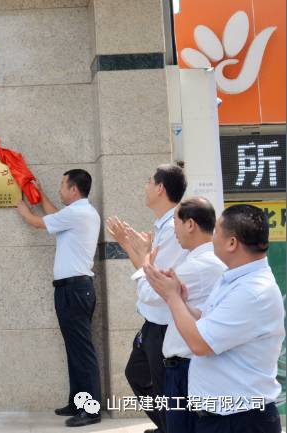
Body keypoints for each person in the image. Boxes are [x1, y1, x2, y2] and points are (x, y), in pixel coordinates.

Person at [144, 204, 284, 433]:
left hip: (241, 419)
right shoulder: (234, 279)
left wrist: (172, 298)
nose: (212, 237)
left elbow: (201, 344)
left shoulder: (252, 290)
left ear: (232, 243)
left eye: (217, 231)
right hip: (222, 416)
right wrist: (181, 299)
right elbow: (206, 322)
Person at [128, 198, 226, 433]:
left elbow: (148, 294)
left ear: (190, 224)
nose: (175, 231)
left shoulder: (199, 266)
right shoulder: (202, 261)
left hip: (187, 366)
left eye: (175, 223)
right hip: (186, 364)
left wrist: (145, 257)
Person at [15, 169, 101, 428]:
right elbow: (54, 215)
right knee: (74, 349)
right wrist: (40, 196)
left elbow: (38, 222)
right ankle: (78, 402)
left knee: (82, 351)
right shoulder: (78, 213)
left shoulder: (78, 213)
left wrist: (20, 206)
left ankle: (91, 409)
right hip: (71, 289)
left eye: (63, 185)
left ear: (74, 189)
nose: (60, 189)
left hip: (74, 290)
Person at [106, 164, 187, 433]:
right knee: (138, 373)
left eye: (148, 181)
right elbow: (147, 273)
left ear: (161, 188)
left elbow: (154, 286)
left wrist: (134, 249)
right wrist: (130, 246)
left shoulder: (173, 228)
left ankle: (169, 428)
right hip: (154, 320)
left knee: (163, 388)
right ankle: (166, 427)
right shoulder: (162, 225)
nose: (145, 186)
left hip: (164, 324)